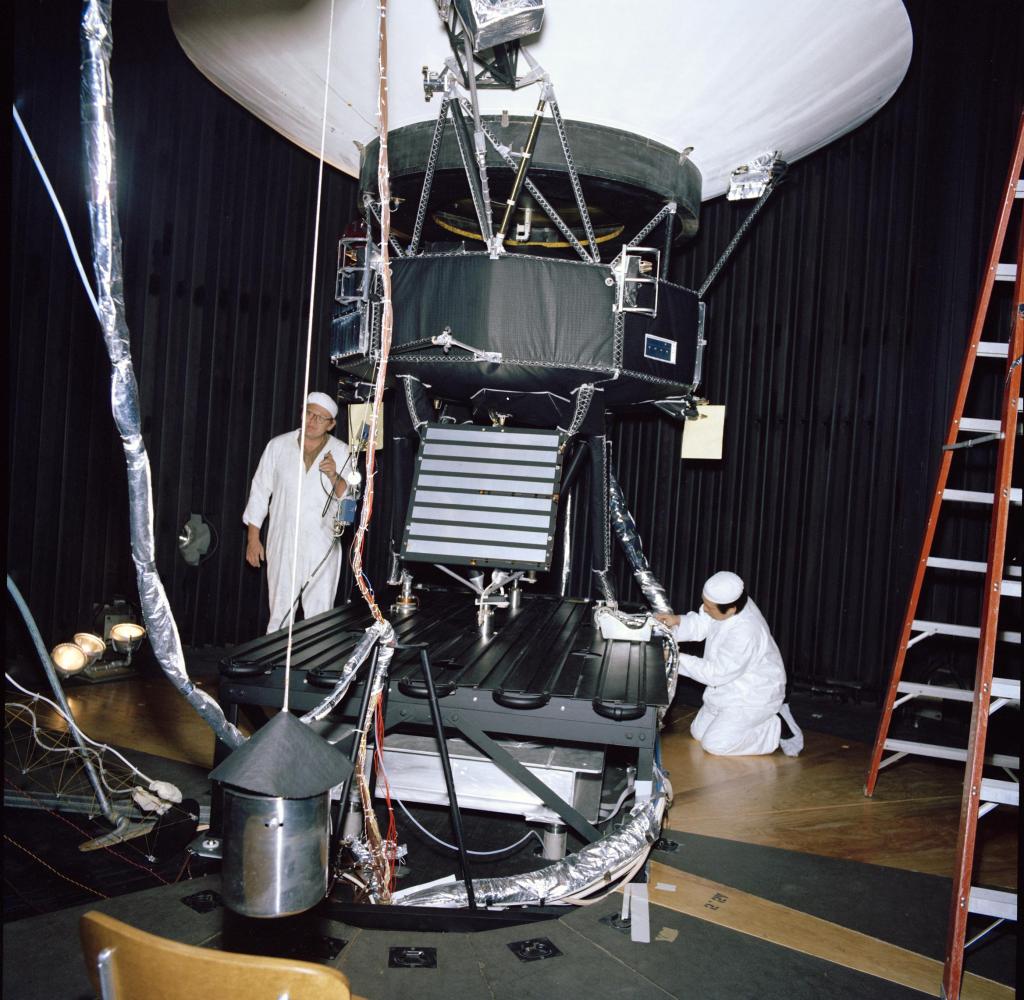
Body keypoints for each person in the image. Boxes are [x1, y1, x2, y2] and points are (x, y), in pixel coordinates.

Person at [655, 571, 803, 757]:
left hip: (754, 696)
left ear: (731, 609)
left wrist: (673, 657)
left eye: (709, 607)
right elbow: (705, 621)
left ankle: (775, 725)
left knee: (715, 744)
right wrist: (678, 620)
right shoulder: (731, 603)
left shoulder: (747, 631)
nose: (704, 608)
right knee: (698, 733)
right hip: (728, 689)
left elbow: (715, 673)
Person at [243, 391, 352, 632]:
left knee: (319, 613)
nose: (312, 421)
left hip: (322, 542)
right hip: (283, 540)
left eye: (320, 418)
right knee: (280, 611)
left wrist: (334, 475)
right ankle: (277, 666)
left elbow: (350, 501)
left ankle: (314, 665)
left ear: (331, 424)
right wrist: (253, 537)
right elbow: (260, 491)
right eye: (309, 413)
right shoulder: (278, 446)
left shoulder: (342, 451)